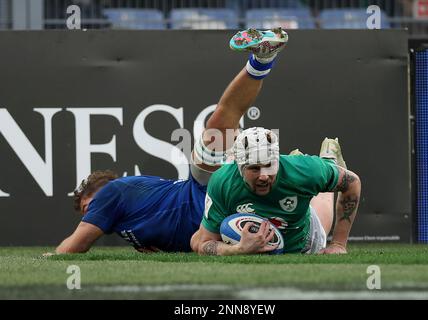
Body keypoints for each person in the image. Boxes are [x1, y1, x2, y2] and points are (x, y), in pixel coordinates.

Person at [48, 27, 290, 254]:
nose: (87, 216)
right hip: (218, 211)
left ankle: (262, 59)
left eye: (86, 207)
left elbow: (73, 247)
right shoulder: (130, 219)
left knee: (219, 125)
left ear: (97, 193)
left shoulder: (110, 194)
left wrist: (50, 256)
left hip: (202, 192)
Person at [189, 132, 362, 255]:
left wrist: (338, 244)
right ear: (240, 168)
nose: (264, 175)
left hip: (302, 239)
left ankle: (329, 159)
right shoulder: (223, 182)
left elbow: (352, 183)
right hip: (256, 234)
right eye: (255, 168)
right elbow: (201, 243)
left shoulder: (305, 170)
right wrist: (239, 249)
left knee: (322, 203)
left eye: (269, 165)